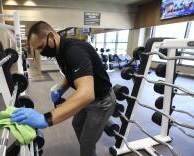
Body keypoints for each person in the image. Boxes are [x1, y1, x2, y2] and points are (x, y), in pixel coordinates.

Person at [10, 21, 116, 156]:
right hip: (89, 100)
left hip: (102, 101)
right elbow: (72, 74)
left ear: (51, 36)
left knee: (86, 142)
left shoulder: (75, 51)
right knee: (77, 124)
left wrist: (46, 118)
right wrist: (61, 88)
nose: (41, 52)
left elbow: (87, 93)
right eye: (38, 49)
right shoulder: (59, 51)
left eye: (41, 46)